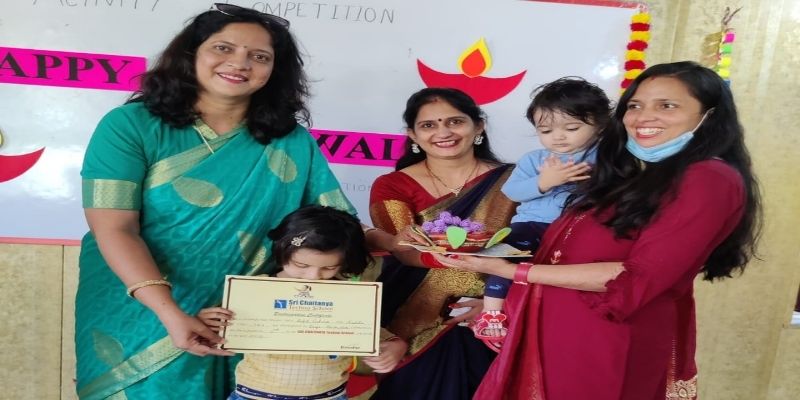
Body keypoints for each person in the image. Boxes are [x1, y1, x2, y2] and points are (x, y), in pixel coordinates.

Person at [75, 4, 400, 399]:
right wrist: (168, 311)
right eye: (223, 48)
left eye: (259, 56)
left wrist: (394, 242)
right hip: (142, 307)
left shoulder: (290, 140)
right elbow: (114, 228)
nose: (240, 63)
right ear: (191, 53)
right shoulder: (131, 125)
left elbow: (336, 225)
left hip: (248, 317)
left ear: (274, 70)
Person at [438, 61, 762, 399]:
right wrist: (507, 301)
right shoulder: (646, 173)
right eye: (635, 105)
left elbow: (637, 276)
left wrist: (509, 271)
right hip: (560, 333)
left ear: (710, 115)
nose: (643, 117)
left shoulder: (707, 177)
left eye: (667, 105)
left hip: (602, 344)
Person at [366, 87, 517, 399]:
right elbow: (405, 250)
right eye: (428, 125)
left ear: (479, 126)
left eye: (455, 122)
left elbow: (534, 250)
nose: (443, 132)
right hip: (413, 316)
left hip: (492, 318)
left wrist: (497, 304)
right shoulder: (393, 185)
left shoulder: (516, 181)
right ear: (412, 135)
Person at [197, 206, 408, 400]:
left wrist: (395, 345)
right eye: (301, 264)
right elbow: (220, 331)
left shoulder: (346, 295)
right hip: (255, 395)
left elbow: (363, 328)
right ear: (282, 251)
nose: (313, 276)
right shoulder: (254, 290)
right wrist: (208, 323)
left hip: (328, 396)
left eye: (329, 268)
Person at [476, 77, 611, 349]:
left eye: (571, 128)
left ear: (600, 125)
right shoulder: (535, 160)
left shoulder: (607, 157)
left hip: (579, 231)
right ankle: (491, 313)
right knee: (502, 256)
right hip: (532, 225)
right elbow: (512, 192)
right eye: (546, 130)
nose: (558, 137)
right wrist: (545, 181)